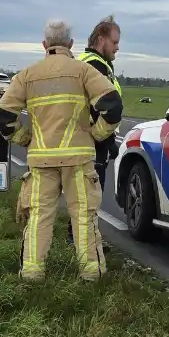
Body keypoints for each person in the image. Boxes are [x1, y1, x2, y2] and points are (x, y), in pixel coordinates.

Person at [0, 18, 124, 282]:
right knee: (83, 217)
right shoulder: (83, 71)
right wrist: (96, 134)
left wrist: (25, 139)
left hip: (41, 160)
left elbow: (2, 116)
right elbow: (113, 106)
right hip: (78, 159)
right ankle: (91, 274)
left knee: (39, 217)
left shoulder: (27, 76)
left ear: (44, 45)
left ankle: (31, 274)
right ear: (71, 44)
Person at [67, 15, 123, 250]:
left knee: (86, 194)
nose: (117, 47)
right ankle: (85, 243)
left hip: (91, 139)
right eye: (114, 42)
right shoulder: (95, 66)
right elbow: (99, 106)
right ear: (101, 39)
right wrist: (105, 138)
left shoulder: (95, 63)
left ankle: (79, 238)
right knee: (90, 195)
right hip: (94, 142)